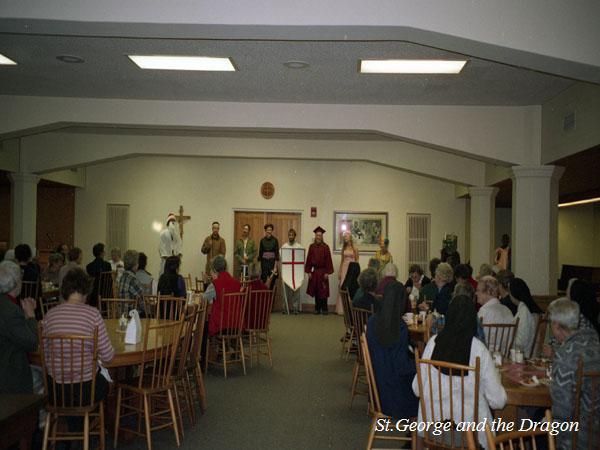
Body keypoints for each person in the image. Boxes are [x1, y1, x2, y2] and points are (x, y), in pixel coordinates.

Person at [413, 295, 507, 449]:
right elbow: (498, 401)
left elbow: (417, 389)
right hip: (470, 434)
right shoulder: (479, 349)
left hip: (433, 430)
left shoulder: (433, 343)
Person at [43, 269, 115, 427]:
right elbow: (108, 356)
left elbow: (46, 355)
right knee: (107, 382)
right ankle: (86, 425)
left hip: (56, 391)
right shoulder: (92, 314)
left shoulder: (50, 315)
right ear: (86, 290)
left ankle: (73, 426)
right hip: (86, 391)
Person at [547, 299, 600, 450]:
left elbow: (562, 412)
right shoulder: (595, 344)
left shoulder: (565, 355)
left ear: (557, 325)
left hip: (576, 439)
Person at [367, 281, 418, 419]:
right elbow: (401, 366)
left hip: (376, 390)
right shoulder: (400, 327)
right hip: (395, 396)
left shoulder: (371, 322)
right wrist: (420, 364)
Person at [0, 260, 38, 393]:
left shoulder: (7, 304)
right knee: (46, 380)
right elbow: (32, 343)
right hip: (10, 375)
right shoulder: (10, 310)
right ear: (16, 282)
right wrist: (31, 316)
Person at [497, 275, 534, 356]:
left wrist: (506, 341)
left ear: (514, 294)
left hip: (521, 355)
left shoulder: (524, 312)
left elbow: (521, 341)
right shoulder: (524, 309)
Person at [476, 275, 514, 351]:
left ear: (488, 292)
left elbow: (478, 339)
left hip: (487, 354)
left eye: (478, 290)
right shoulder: (507, 310)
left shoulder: (484, 311)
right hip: (505, 355)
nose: (476, 293)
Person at [208, 256, 242, 336]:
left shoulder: (215, 284)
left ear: (214, 270)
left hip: (221, 325)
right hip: (237, 323)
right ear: (225, 267)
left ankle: (203, 348)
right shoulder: (237, 283)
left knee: (204, 322)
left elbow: (204, 301)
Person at [304, 226, 334, 315]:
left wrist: (328, 272)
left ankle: (324, 309)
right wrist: (308, 271)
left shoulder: (326, 247)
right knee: (316, 290)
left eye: (320, 235)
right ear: (315, 236)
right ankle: (317, 308)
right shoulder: (311, 247)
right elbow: (309, 259)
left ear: (322, 236)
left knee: (323, 291)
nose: (318, 237)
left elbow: (329, 260)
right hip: (315, 272)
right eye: (317, 235)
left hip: (323, 271)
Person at [281, 228, 304, 315]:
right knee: (285, 292)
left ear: (295, 236)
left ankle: (295, 308)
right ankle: (285, 308)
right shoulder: (284, 247)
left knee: (296, 291)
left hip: (296, 273)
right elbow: (281, 258)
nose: (290, 236)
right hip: (287, 272)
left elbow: (301, 260)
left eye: (292, 235)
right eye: (289, 235)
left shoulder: (299, 247)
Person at [336, 231, 359, 315]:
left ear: (350, 237)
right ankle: (342, 309)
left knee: (351, 287)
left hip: (352, 269)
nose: (345, 238)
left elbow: (357, 261)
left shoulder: (355, 249)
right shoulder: (343, 249)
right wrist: (340, 271)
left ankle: (350, 309)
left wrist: (357, 273)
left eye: (347, 236)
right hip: (344, 268)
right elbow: (342, 261)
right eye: (344, 237)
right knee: (343, 287)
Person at [116, 249, 145, 315]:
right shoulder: (133, 279)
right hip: (131, 315)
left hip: (121, 314)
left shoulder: (122, 277)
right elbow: (142, 303)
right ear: (135, 264)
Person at [86, 242, 112, 307]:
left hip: (93, 296)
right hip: (105, 295)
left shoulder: (89, 266)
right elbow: (110, 281)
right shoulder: (107, 265)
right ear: (101, 253)